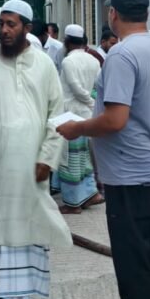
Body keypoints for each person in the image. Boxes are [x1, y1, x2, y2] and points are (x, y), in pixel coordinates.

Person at [57, 0, 150, 299]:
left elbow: (114, 119)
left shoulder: (122, 54)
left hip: (130, 174)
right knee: (140, 255)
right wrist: (144, 120)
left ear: (112, 14)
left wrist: (78, 128)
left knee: (131, 259)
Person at [0, 0, 72, 299]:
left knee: (31, 232)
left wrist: (48, 157)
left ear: (27, 28)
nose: (3, 30)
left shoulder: (44, 64)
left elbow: (57, 115)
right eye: (1, 23)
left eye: (11, 24)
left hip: (32, 166)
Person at [57, 25, 103, 214]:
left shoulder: (68, 61)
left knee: (70, 161)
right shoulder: (94, 60)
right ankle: (90, 194)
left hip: (71, 116)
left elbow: (76, 90)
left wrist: (90, 103)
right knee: (84, 159)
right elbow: (98, 86)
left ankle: (73, 203)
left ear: (67, 42)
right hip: (88, 116)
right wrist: (94, 106)